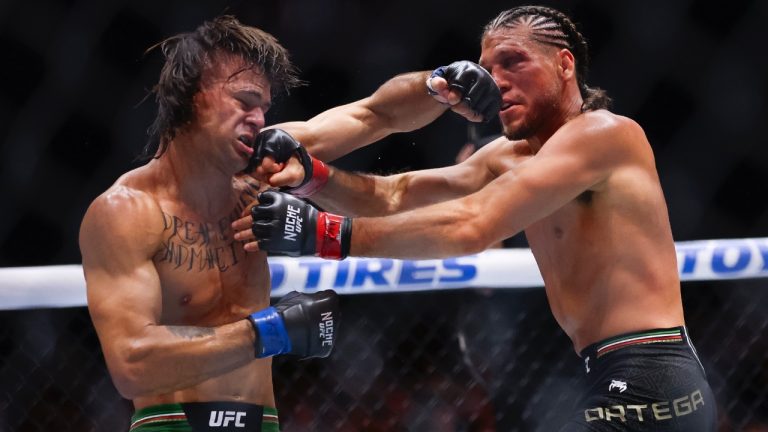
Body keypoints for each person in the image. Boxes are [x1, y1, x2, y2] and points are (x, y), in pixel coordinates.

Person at [234, 5, 717, 431]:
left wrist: (322, 234)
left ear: (564, 64)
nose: (497, 81)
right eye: (488, 68)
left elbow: (473, 224)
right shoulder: (507, 156)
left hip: (653, 374)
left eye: (513, 62)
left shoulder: (605, 134)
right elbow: (396, 194)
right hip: (605, 374)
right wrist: (312, 177)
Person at [78, 16, 347, 431]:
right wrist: (272, 330)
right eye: (244, 101)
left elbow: (372, 116)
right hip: (173, 424)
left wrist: (439, 87)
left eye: (264, 107)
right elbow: (131, 363)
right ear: (193, 98)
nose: (259, 119)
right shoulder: (127, 211)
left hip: (265, 423)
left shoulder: (257, 188)